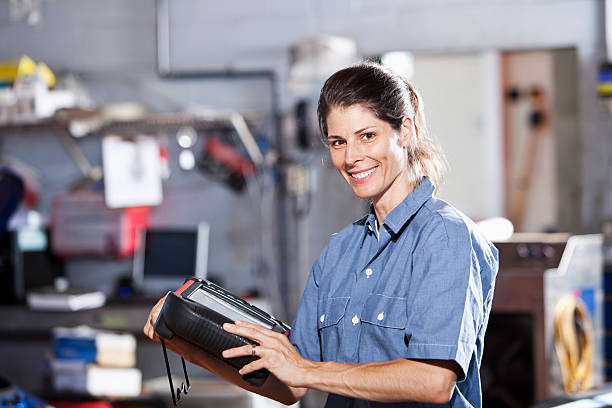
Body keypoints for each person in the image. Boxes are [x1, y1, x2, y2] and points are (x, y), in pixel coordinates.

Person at [144, 62, 498, 408]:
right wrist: (184, 339)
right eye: (338, 142)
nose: (352, 157)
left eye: (367, 136)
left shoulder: (446, 237)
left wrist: (308, 370)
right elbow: (290, 387)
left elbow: (433, 382)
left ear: (404, 131)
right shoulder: (340, 252)